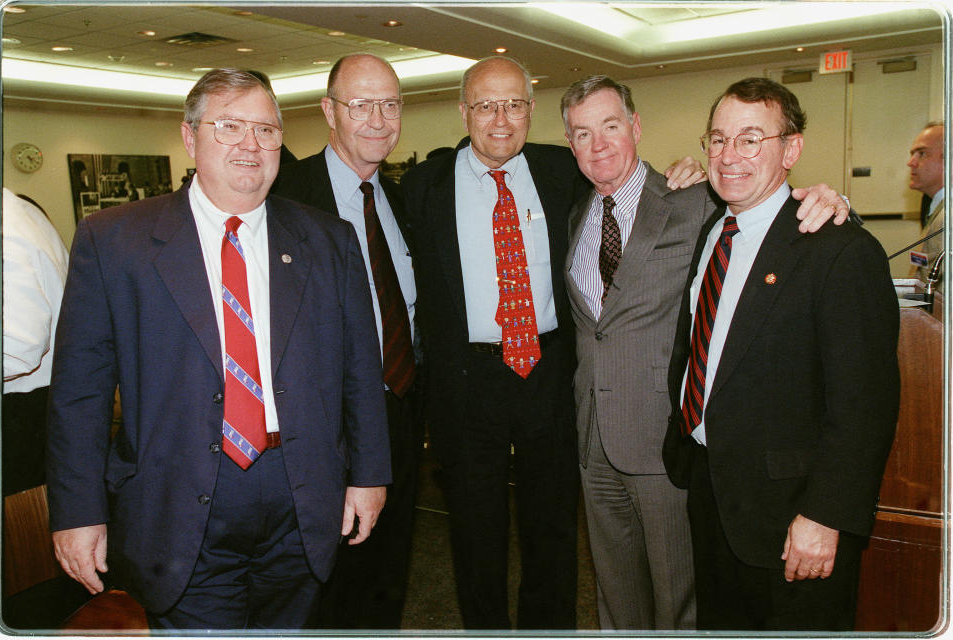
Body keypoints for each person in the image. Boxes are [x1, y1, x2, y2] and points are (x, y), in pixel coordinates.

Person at [47, 68, 392, 630]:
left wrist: (370, 475)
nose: (250, 145)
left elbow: (360, 367)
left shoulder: (328, 240)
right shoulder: (114, 241)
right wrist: (78, 512)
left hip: (302, 493)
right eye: (229, 126)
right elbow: (79, 397)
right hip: (175, 502)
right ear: (190, 137)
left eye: (266, 129)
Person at [560, 75, 850, 631]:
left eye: (611, 126)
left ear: (636, 127)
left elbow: (769, 211)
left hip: (665, 441)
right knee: (614, 595)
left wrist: (832, 200)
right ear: (570, 144)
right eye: (581, 133)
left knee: (681, 600)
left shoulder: (694, 199)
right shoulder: (576, 216)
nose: (598, 145)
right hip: (593, 439)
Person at [663, 77, 899, 631]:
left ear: (790, 150)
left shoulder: (839, 251)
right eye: (717, 140)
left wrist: (825, 515)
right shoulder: (713, 231)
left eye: (750, 140)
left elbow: (864, 406)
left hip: (793, 516)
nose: (729, 156)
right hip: (712, 491)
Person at [399, 55, 590, 630]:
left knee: (553, 526)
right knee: (475, 530)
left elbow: (632, 187)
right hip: (466, 381)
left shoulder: (564, 170)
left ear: (531, 111)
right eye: (485, 105)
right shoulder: (423, 187)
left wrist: (687, 173)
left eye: (513, 104)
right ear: (464, 112)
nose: (500, 119)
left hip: (549, 371)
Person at [273, 53, 421, 630]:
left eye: (390, 104)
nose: (378, 120)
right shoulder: (284, 197)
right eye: (361, 105)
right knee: (325, 586)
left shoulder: (403, 198)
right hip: (321, 426)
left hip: (401, 412)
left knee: (390, 572)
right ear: (329, 111)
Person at [3, 189, 69, 496]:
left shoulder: (6, 222)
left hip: (22, 415)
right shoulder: (22, 213)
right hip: (39, 407)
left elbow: (18, 345)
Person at [907, 122, 944, 291]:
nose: (911, 162)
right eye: (912, 154)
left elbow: (943, 298)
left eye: (922, 154)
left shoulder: (947, 218)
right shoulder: (932, 205)